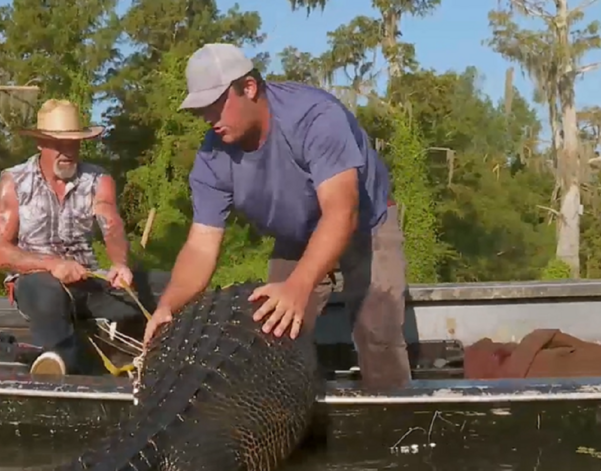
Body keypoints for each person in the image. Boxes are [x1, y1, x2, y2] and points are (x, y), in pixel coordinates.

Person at [142, 43, 412, 391]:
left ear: (250, 88)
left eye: (215, 104)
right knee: (272, 335)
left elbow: (342, 212)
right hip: (295, 232)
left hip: (365, 223)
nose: (209, 118)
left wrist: (299, 287)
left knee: (378, 333)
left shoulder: (314, 117)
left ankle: (395, 432)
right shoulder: (212, 158)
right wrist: (168, 305)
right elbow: (200, 248)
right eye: (200, 109)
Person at [0, 99, 155, 377]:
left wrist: (120, 264)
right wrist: (52, 265)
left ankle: (183, 357)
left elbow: (111, 225)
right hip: (36, 281)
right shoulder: (14, 182)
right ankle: (63, 362)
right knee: (47, 292)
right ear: (40, 144)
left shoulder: (98, 180)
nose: (67, 152)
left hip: (87, 280)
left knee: (162, 286)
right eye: (58, 144)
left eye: (74, 144)